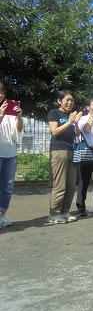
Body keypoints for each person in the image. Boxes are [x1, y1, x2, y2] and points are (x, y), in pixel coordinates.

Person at [47, 90, 82, 224]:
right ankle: (53, 214)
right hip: (59, 151)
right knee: (60, 185)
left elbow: (77, 134)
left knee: (71, 185)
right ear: (59, 101)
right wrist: (69, 121)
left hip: (72, 150)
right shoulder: (54, 113)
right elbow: (54, 132)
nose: (69, 103)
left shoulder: (71, 116)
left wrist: (76, 123)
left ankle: (65, 211)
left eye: (71, 100)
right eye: (67, 100)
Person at [0, 83, 23, 228]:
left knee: (7, 187)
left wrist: (19, 116)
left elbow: (18, 130)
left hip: (11, 153)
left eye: (1, 92)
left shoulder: (10, 109)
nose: (0, 95)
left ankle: (1, 216)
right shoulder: (3, 112)